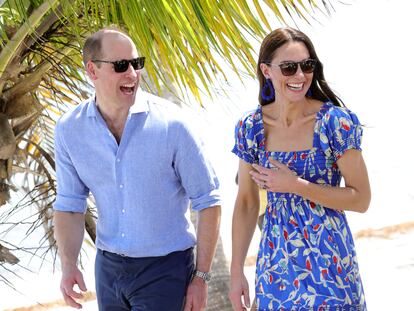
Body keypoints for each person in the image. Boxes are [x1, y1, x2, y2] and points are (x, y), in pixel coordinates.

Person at [53, 26, 221, 311]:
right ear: (92, 71)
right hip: (108, 270)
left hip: (166, 270)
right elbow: (70, 205)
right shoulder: (70, 129)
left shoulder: (173, 125)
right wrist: (69, 265)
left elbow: (209, 201)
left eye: (136, 63)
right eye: (121, 66)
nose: (132, 73)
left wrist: (201, 277)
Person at [229, 27, 370, 310]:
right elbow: (246, 202)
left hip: (331, 269)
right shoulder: (251, 128)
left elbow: (361, 199)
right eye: (289, 67)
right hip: (276, 269)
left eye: (307, 66)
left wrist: (296, 186)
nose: (300, 76)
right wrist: (236, 272)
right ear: (266, 71)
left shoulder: (335, 123)